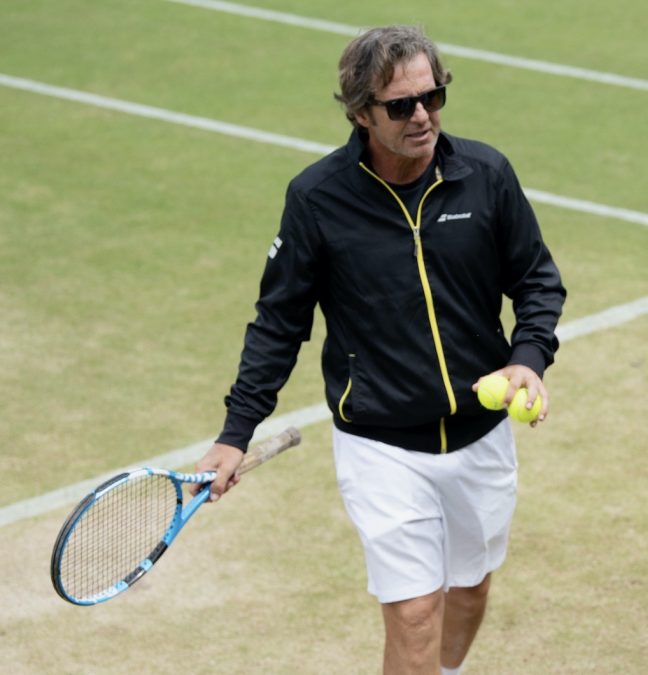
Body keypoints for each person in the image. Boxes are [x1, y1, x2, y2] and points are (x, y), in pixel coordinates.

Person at [193, 25, 566, 674]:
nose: (422, 115)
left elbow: (537, 280)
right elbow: (279, 322)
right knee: (415, 611)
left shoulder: (486, 174)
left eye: (433, 96)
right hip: (381, 445)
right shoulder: (318, 199)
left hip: (482, 435)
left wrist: (526, 358)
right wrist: (235, 431)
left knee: (469, 590)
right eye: (401, 105)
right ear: (361, 112)